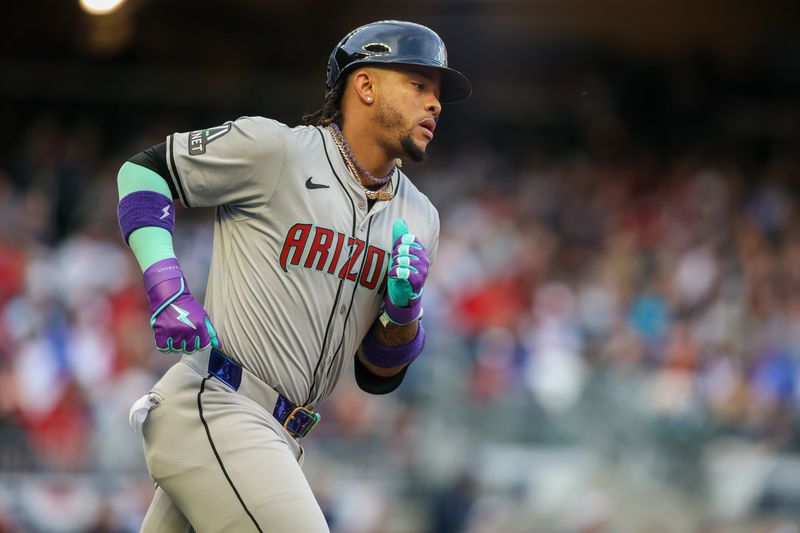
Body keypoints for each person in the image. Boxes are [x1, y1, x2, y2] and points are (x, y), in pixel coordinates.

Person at [118, 20, 471, 532]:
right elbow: (142, 173)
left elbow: (377, 375)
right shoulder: (276, 150)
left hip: (280, 435)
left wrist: (405, 314)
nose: (435, 103)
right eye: (419, 85)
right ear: (365, 85)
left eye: (437, 93)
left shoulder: (421, 218)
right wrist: (166, 282)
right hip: (218, 405)